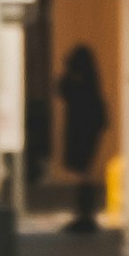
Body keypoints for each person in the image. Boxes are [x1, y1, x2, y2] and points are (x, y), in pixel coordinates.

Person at [54, 32, 110, 233]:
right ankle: (86, 214)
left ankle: (84, 215)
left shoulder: (75, 85)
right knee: (85, 172)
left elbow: (60, 88)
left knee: (82, 173)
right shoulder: (92, 86)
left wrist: (66, 67)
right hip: (89, 133)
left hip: (77, 133)